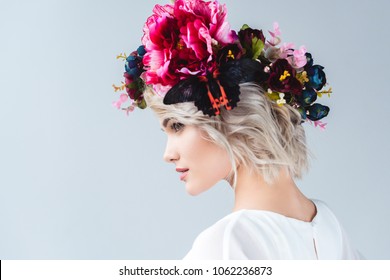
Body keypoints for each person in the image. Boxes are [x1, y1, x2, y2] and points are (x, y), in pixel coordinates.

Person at [113, 0, 361, 259]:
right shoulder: (330, 227)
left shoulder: (228, 244)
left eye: (177, 126)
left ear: (227, 109)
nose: (168, 154)